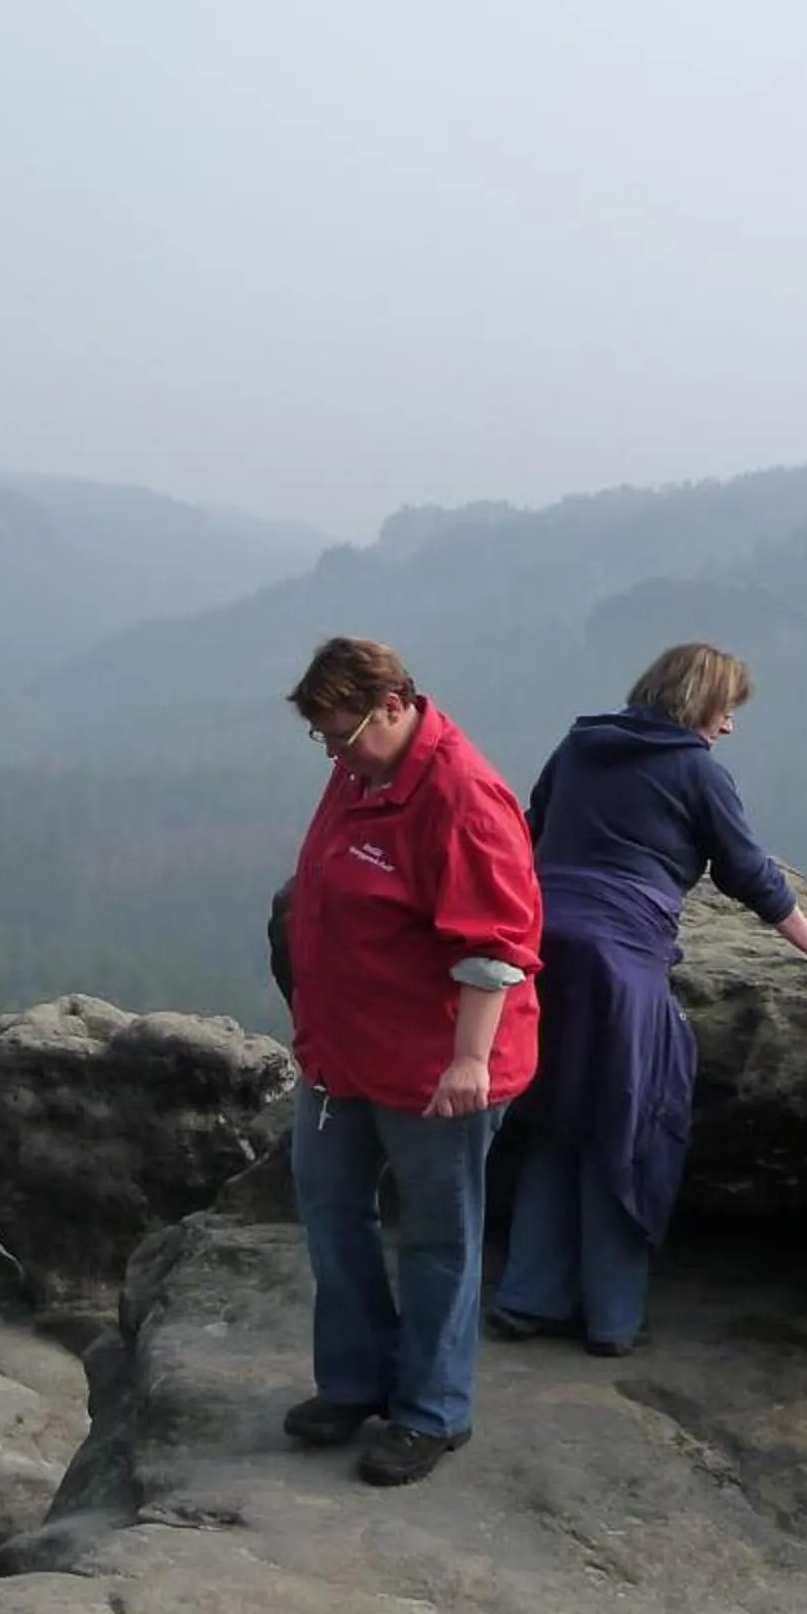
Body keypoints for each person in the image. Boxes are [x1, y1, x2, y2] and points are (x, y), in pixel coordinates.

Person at [490, 644, 807, 1356]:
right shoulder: (696, 772)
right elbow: (749, 871)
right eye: (727, 712)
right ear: (699, 705)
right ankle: (611, 1318)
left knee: (552, 1117)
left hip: (541, 948)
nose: (729, 728)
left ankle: (527, 1299)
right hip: (619, 961)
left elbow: (528, 833)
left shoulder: (579, 744)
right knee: (624, 1123)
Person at [280, 636, 544, 1488]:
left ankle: (430, 1410)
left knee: (437, 1237)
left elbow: (497, 945)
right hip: (344, 1053)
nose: (333, 751)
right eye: (322, 738)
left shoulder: (463, 797)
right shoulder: (363, 770)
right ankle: (354, 1381)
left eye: (343, 733)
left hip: (437, 1064)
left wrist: (469, 1061)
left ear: (394, 705)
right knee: (330, 1211)